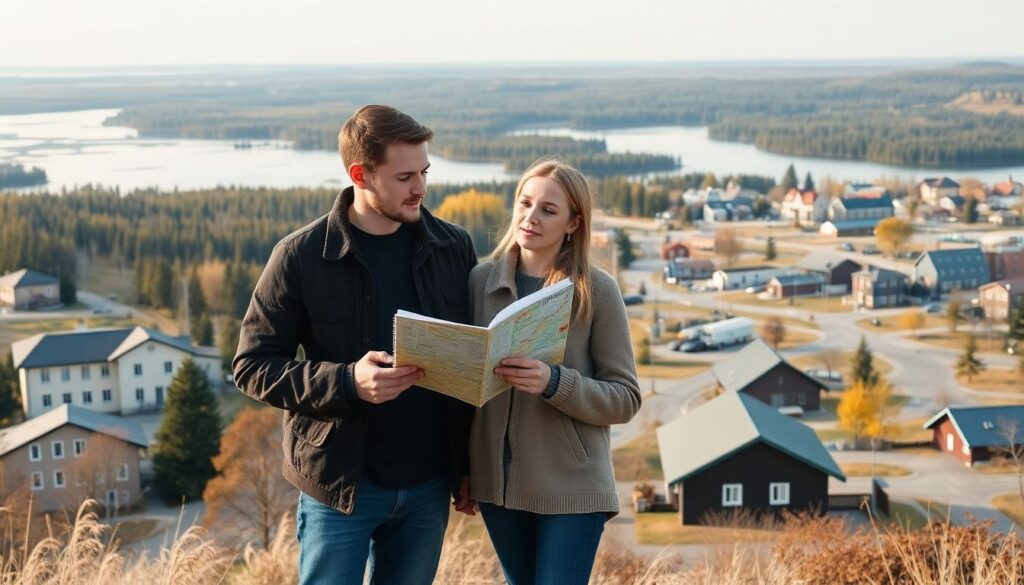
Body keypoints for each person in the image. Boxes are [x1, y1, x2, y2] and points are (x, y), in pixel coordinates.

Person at [233, 105, 478, 585]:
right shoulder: (300, 256)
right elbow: (252, 366)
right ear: (360, 174)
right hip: (340, 484)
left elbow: (469, 363)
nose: (421, 188)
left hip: (429, 484)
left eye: (425, 171)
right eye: (405, 176)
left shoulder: (454, 247)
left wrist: (467, 467)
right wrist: (348, 381)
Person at [468, 158, 642, 585]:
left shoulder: (595, 290)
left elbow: (625, 397)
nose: (531, 217)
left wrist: (554, 383)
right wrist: (465, 468)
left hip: (573, 487)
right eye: (525, 203)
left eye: (548, 209)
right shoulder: (479, 282)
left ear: (573, 223)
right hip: (499, 489)